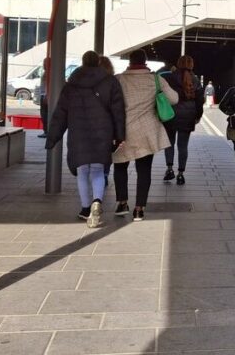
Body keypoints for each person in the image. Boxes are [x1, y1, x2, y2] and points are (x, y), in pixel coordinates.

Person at [44, 51, 125, 227]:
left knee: (82, 171)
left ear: (82, 62)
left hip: (78, 133)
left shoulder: (71, 84)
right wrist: (120, 136)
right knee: (97, 170)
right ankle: (97, 201)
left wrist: (52, 138)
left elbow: (60, 114)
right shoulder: (110, 82)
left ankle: (86, 208)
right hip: (102, 133)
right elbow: (118, 111)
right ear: (98, 62)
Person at [113, 49, 178, 221]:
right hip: (147, 132)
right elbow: (174, 99)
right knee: (144, 170)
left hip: (122, 131)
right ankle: (139, 209)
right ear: (145, 61)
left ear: (130, 61)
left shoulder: (119, 79)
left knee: (120, 166)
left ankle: (121, 203)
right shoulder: (156, 79)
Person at [162, 55, 204, 185]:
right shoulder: (195, 80)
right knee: (183, 146)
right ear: (191, 65)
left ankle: (169, 170)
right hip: (188, 116)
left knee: (169, 143)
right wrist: (198, 116)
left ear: (178, 64)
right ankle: (181, 174)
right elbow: (199, 101)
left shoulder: (169, 77)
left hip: (170, 115)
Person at [38, 56, 52, 138]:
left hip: (45, 96)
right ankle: (46, 131)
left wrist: (47, 95)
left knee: (44, 114)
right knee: (44, 114)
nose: (43, 65)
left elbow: (48, 84)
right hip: (44, 95)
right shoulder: (48, 72)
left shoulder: (49, 73)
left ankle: (46, 131)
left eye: (45, 63)